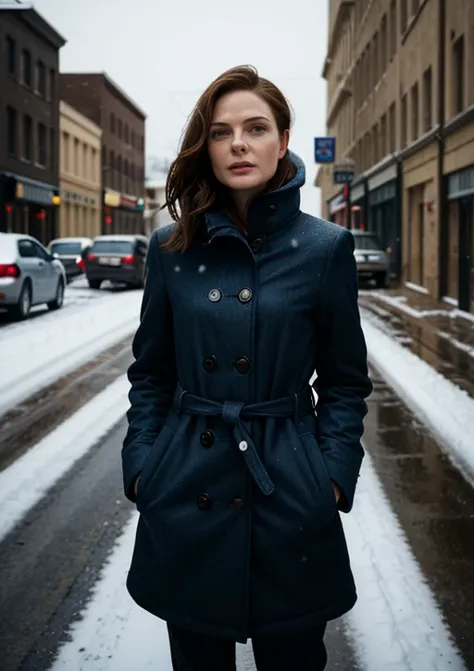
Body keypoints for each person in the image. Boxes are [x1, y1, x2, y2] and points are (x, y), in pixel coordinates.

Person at [122, 65, 373, 671]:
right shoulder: (171, 250)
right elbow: (151, 373)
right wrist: (143, 466)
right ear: (203, 148)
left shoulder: (324, 248)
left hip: (289, 487)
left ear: (283, 141)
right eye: (220, 131)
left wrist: (331, 474)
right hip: (188, 483)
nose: (238, 143)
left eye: (256, 128)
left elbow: (344, 380)